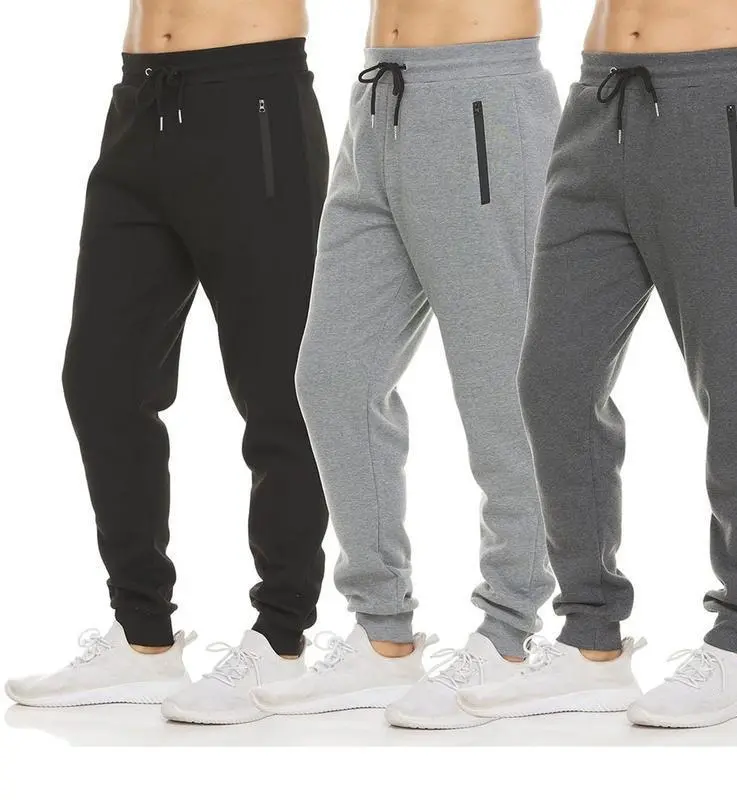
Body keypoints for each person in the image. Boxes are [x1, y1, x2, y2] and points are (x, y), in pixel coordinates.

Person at [459, 0, 737, 729]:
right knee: (553, 381)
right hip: (597, 101)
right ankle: (590, 638)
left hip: (712, 98)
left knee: (736, 379)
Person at [5, 0, 329, 726]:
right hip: (139, 101)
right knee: (101, 379)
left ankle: (281, 638)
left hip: (249, 99)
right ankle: (142, 634)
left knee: (278, 387)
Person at [252, 0, 561, 730]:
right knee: (333, 377)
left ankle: (511, 632)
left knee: (500, 386)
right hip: (377, 102)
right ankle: (382, 632)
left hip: (480, 100)